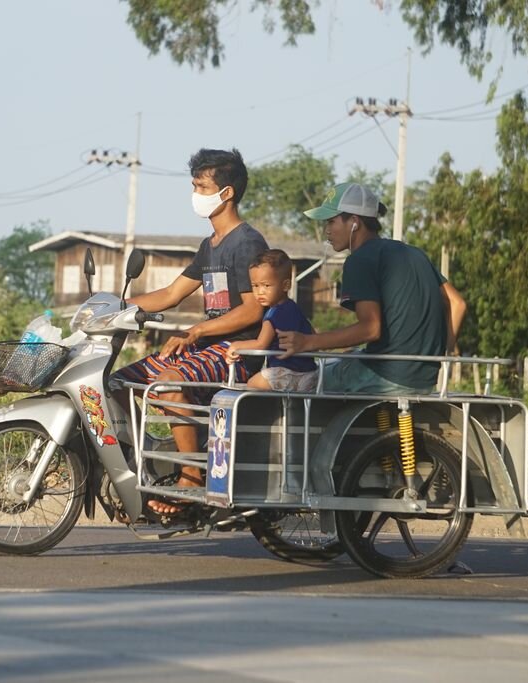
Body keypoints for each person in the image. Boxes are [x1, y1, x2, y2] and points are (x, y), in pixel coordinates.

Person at [111, 148, 268, 516]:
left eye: (201, 186)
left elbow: (253, 308)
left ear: (226, 193)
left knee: (166, 383)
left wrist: (198, 330)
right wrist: (115, 307)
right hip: (208, 348)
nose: (195, 194)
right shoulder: (209, 245)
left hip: (236, 350)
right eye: (194, 185)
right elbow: (170, 294)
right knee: (117, 385)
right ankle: (145, 463)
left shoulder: (246, 243)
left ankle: (193, 475)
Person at [278, 182, 467, 395]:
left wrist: (308, 342)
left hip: (385, 376)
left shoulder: (360, 259)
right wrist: (436, 359)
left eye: (331, 221)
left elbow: (371, 328)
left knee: (301, 380)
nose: (326, 230)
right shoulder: (413, 253)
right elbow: (457, 303)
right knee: (349, 358)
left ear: (354, 222)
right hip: (424, 379)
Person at [225, 248, 318, 392]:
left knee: (251, 384)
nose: (260, 291)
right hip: (309, 374)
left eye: (266, 285)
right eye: (255, 286)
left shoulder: (272, 314)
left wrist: (236, 345)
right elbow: (314, 338)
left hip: (283, 373)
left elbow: (260, 344)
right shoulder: (295, 308)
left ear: (286, 285)